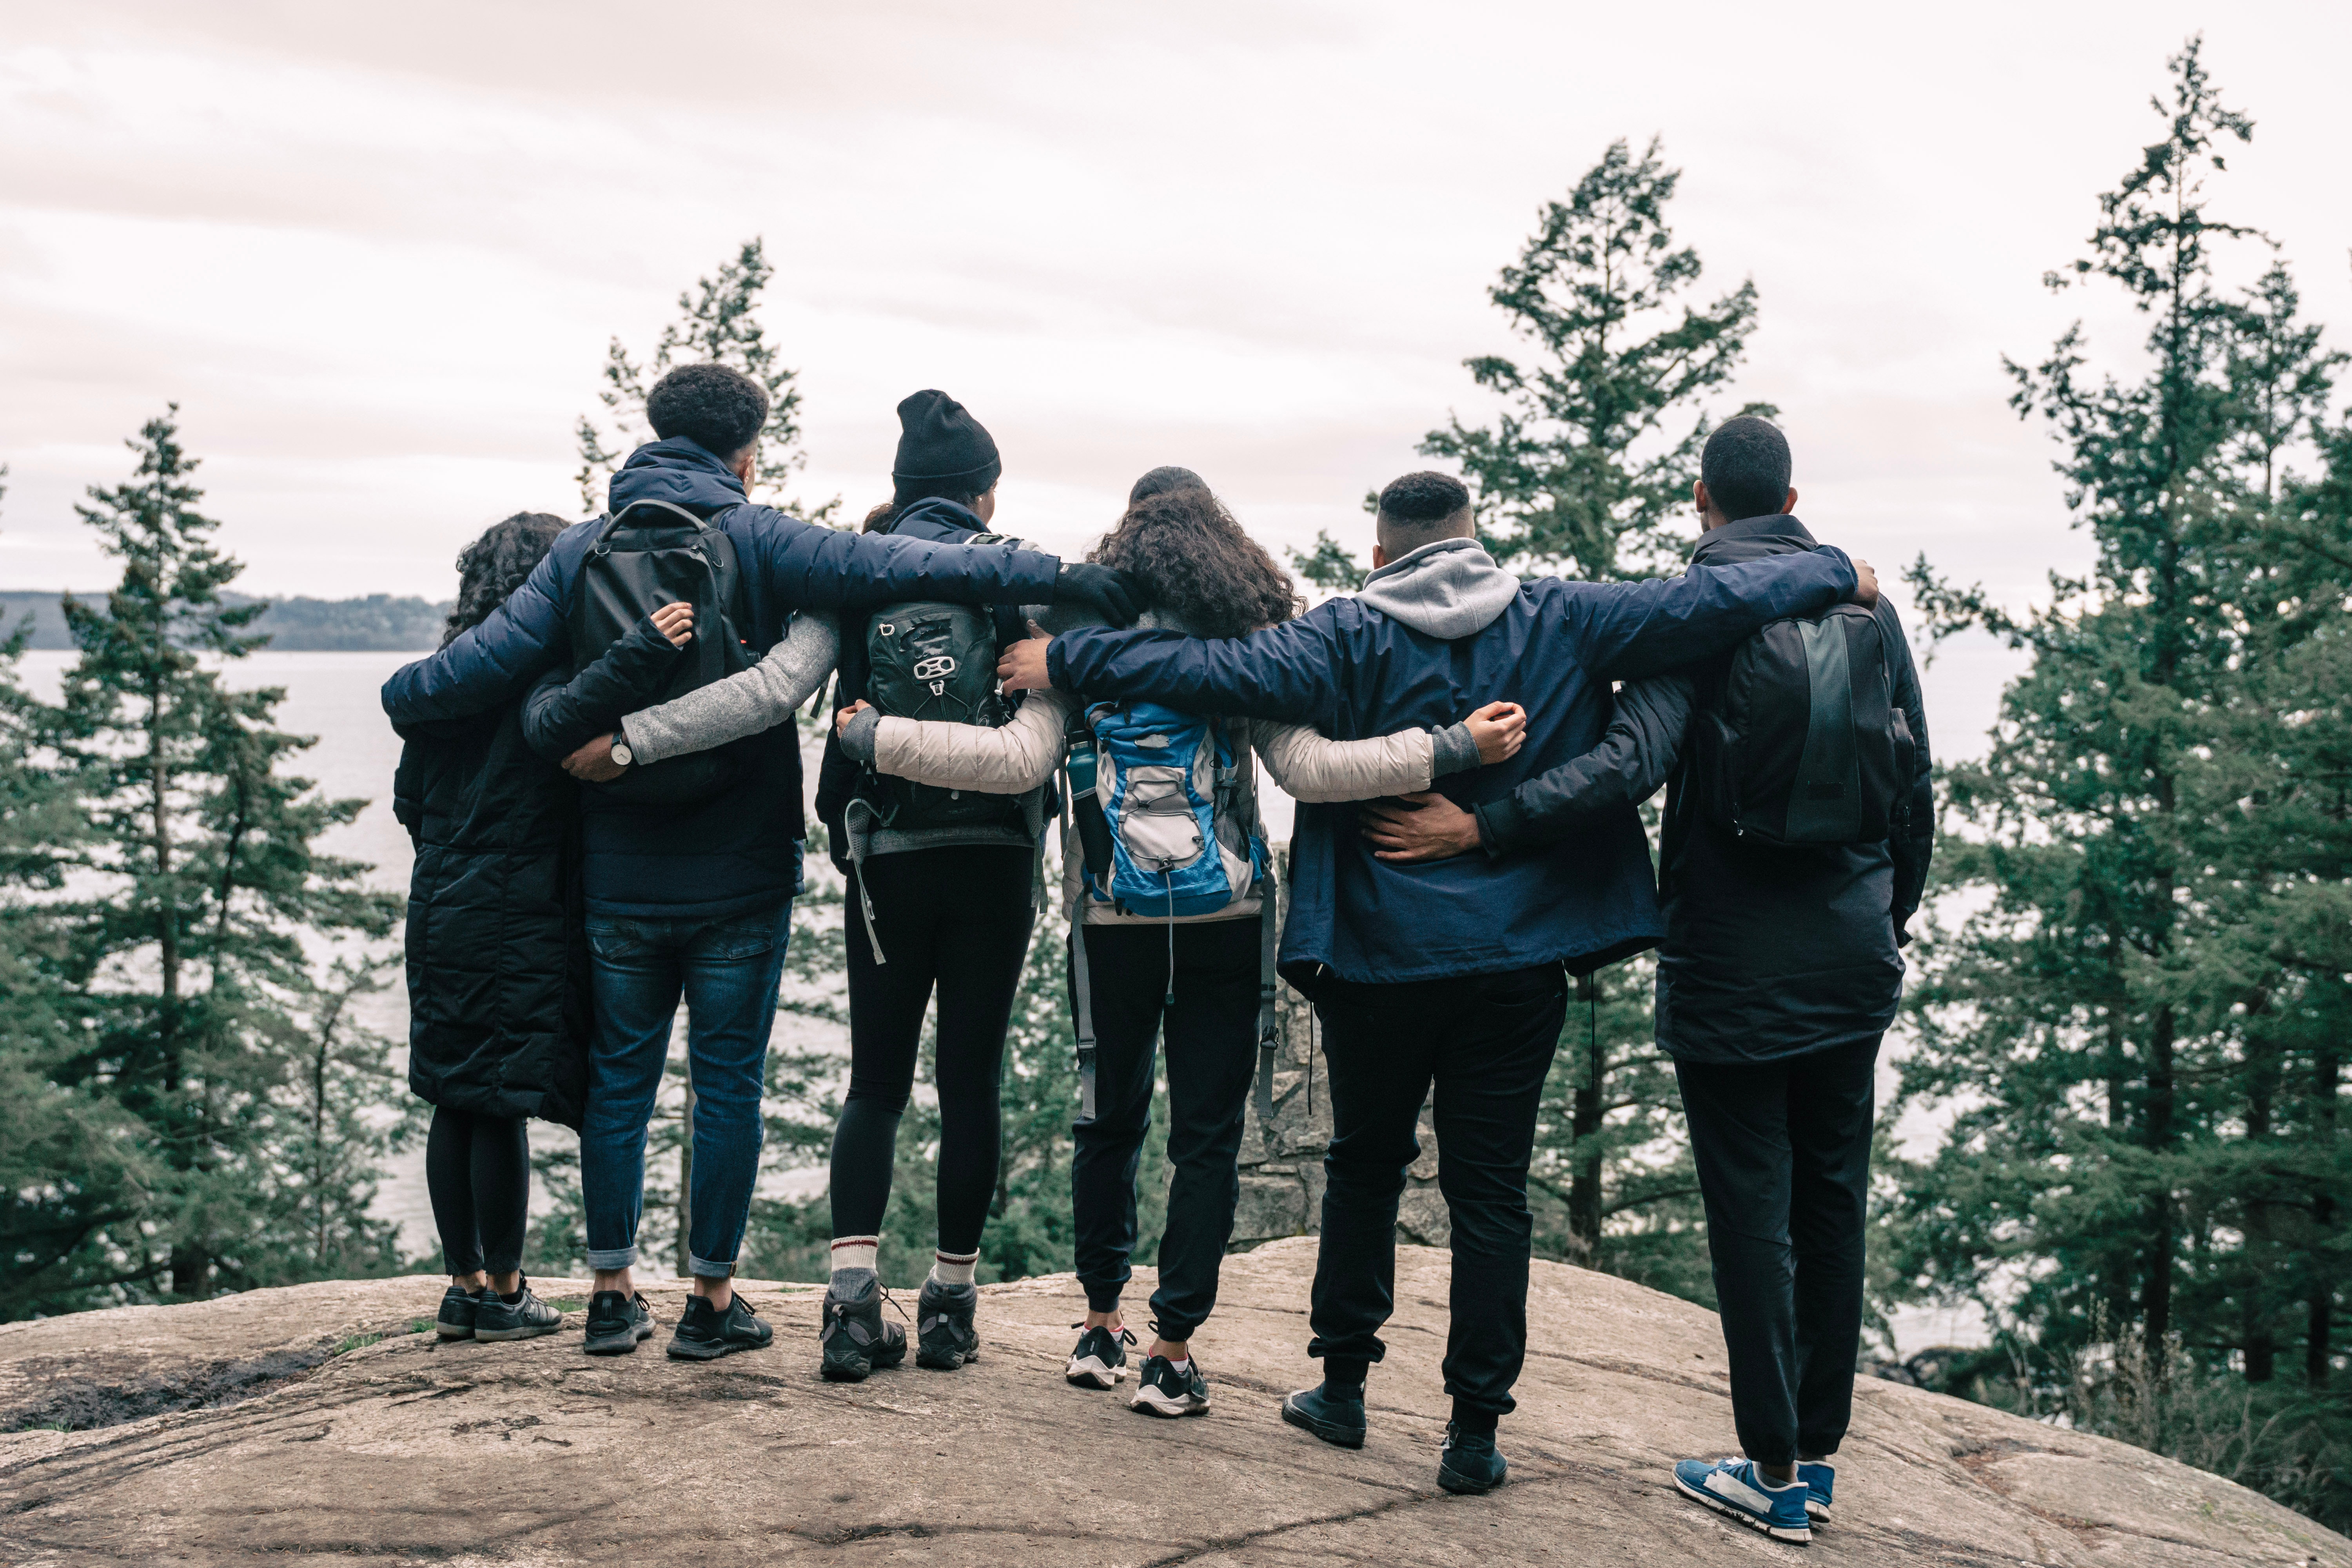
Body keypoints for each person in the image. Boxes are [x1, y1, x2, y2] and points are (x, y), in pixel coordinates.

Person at [1000, 469, 1877, 1496]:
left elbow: (1212, 670)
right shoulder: (1564, 614)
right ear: (1476, 540)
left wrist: (1071, 654)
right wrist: (1830, 570)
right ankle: (1472, 1432)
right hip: (1519, 958)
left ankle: (1344, 1389)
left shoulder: (1343, 634)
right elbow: (1702, 603)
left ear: (1380, 556)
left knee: (1365, 1166)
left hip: (1378, 956)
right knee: (1492, 1196)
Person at [381, 365, 1141, 1364]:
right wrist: (1051, 575)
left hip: (619, 867)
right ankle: (710, 1303)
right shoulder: (762, 537)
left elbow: (442, 685)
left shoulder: (578, 549)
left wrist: (445, 697)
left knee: (622, 1081)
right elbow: (885, 564)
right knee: (730, 1082)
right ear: (748, 452)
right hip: (742, 868)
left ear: (656, 434)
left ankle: (610, 1295)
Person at [828, 468, 1525, 1414]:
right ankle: (1172, 1346)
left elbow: (1014, 762)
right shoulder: (1245, 648)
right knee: (1205, 1137)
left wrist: (876, 737)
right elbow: (1314, 771)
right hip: (1227, 920)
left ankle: (1099, 1324)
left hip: (1112, 919)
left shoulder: (1077, 648)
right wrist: (1448, 750)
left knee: (1107, 1121)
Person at [1361, 418, 1933, 1543]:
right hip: (1853, 957)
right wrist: (1887, 916)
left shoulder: (1703, 620)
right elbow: (1912, 779)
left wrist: (1483, 828)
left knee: (1752, 1215)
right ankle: (1814, 1458)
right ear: (1792, 497)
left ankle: (1770, 1468)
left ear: (1701, 502)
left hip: (1732, 966)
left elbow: (1623, 766)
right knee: (1832, 1201)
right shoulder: (1869, 609)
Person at [391, 513, 686, 1344]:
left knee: (453, 1092)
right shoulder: (552, 673)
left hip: (442, 898)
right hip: (520, 906)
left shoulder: (449, 680)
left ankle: (462, 1285)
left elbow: (410, 799)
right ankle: (507, 1289)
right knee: (500, 1097)